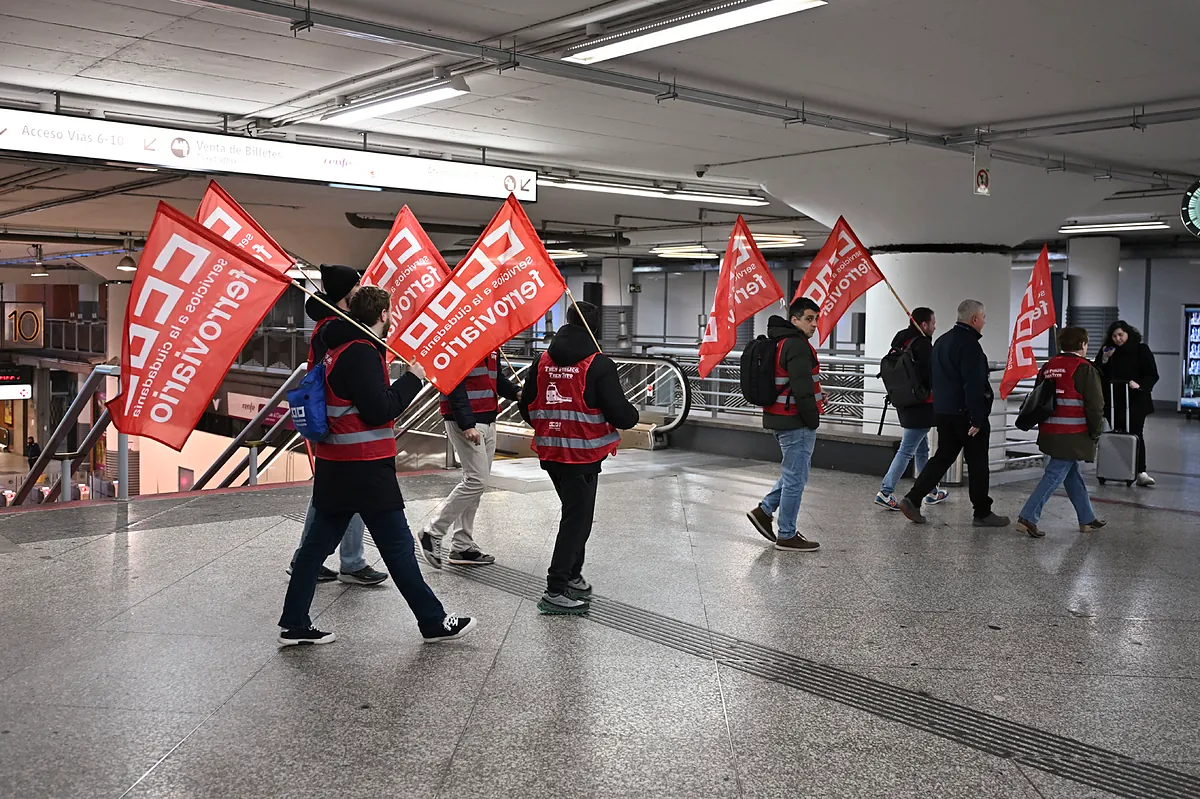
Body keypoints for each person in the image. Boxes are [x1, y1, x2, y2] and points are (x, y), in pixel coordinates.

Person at [278, 286, 477, 645]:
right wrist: (413, 379)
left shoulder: (335, 348)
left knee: (314, 548)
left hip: (336, 465)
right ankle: (433, 621)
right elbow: (379, 409)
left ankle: (294, 622)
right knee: (398, 547)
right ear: (384, 314)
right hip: (365, 469)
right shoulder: (361, 352)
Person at [518, 300, 639, 615]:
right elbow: (623, 416)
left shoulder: (542, 361)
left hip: (550, 452)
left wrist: (552, 426)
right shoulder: (598, 364)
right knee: (577, 519)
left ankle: (572, 575)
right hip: (582, 457)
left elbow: (526, 405)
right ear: (596, 329)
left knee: (576, 515)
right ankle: (556, 589)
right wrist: (632, 412)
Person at [284, 264, 387, 586]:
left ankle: (320, 560)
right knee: (338, 495)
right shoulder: (335, 328)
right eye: (357, 285)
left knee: (332, 496)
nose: (361, 288)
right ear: (347, 291)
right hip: (339, 420)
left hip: (330, 417)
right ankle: (344, 562)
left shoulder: (332, 324)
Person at [897, 299, 1009, 527]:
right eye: (984, 318)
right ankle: (982, 512)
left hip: (944, 412)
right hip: (966, 414)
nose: (984, 322)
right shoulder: (970, 345)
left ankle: (913, 498)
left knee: (942, 458)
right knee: (978, 462)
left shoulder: (941, 341)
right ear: (974, 319)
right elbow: (974, 384)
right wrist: (977, 418)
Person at [419, 350, 520, 567]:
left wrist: (516, 392)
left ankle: (462, 545)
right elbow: (453, 383)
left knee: (475, 483)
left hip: (488, 418)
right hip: (466, 423)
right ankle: (433, 532)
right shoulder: (462, 342)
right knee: (475, 480)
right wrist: (466, 424)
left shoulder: (491, 344)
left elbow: (496, 378)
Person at [745, 297, 823, 552]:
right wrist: (812, 420)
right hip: (795, 421)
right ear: (795, 320)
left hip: (779, 417)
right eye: (809, 319)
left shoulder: (779, 341)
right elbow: (801, 390)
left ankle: (764, 510)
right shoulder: (797, 345)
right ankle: (787, 534)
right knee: (795, 478)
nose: (814, 325)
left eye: (816, 319)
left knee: (795, 473)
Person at [1016, 327, 1107, 538]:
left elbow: (1038, 399)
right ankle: (1028, 517)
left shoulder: (1049, 366)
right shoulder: (1084, 368)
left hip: (1050, 431)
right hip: (1074, 432)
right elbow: (1095, 406)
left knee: (1072, 473)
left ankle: (1087, 518)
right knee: (1055, 473)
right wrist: (1096, 432)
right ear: (1083, 344)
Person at [873, 307, 950, 510]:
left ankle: (931, 490)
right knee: (907, 450)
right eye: (933, 323)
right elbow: (929, 376)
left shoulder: (901, 341)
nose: (935, 326)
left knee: (921, 448)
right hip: (921, 405)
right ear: (923, 324)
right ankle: (885, 491)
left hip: (904, 401)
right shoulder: (922, 345)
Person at [1094, 320, 1159, 487]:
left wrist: (1140, 385)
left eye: (1121, 335)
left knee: (1136, 433)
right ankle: (1119, 467)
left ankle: (1140, 471)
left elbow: (1152, 374)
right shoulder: (1108, 351)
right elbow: (1097, 371)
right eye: (1114, 336)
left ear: (1128, 333)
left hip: (1136, 400)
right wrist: (1105, 358)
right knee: (1116, 432)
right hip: (1114, 400)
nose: (1118, 339)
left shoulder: (1140, 349)